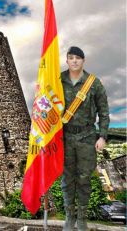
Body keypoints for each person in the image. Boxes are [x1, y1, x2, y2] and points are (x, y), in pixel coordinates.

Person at [60, 46, 110, 231]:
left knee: (84, 179)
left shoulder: (94, 83)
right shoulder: (58, 80)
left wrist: (102, 136)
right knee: (67, 179)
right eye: (71, 58)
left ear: (83, 60)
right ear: (67, 61)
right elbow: (47, 105)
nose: (74, 61)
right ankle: (68, 217)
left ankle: (81, 218)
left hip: (87, 136)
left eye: (78, 58)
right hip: (65, 137)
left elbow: (104, 112)